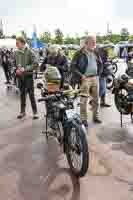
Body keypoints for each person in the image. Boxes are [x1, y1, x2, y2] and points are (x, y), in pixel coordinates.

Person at [71, 35, 102, 127]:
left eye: (95, 42)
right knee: (84, 100)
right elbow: (72, 67)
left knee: (96, 99)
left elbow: (100, 63)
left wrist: (98, 74)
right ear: (86, 43)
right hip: (85, 79)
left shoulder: (96, 52)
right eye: (92, 42)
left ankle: (95, 117)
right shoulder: (79, 53)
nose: (94, 44)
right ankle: (83, 119)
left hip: (95, 78)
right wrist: (81, 75)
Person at [15, 36, 39, 119]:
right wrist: (16, 70)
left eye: (17, 43)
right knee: (22, 95)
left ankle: (35, 112)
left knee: (31, 95)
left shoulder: (30, 52)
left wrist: (25, 69)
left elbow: (36, 64)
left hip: (28, 77)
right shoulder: (16, 53)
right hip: (20, 77)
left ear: (22, 43)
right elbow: (15, 64)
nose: (16, 45)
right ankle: (22, 112)